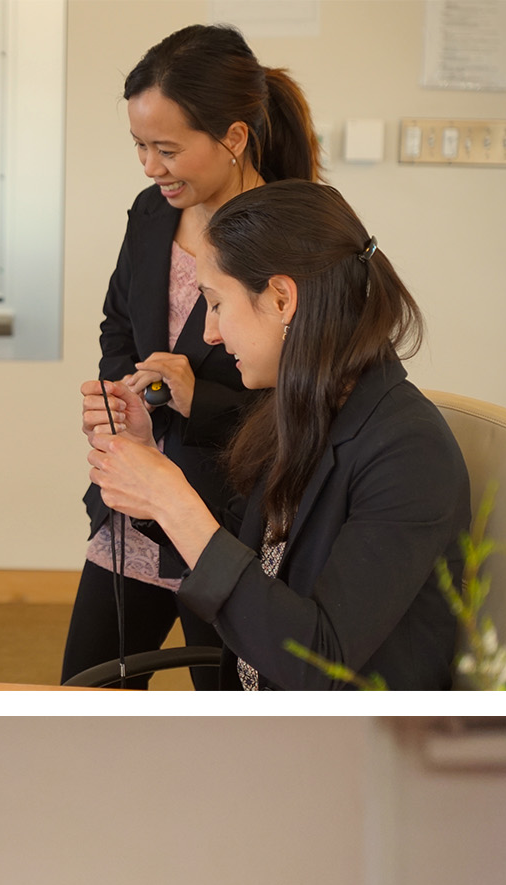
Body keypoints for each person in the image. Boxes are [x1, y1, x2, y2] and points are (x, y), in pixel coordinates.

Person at [81, 180, 470, 691]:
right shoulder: (303, 408)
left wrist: (172, 502)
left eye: (216, 304)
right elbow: (239, 551)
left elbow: (318, 663)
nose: (210, 333)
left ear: (282, 299)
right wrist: (148, 473)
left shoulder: (408, 451)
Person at [61, 24, 320, 687]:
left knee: (225, 704)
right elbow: (119, 324)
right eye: (140, 146)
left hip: (230, 523)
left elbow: (310, 395)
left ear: (233, 137)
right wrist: (127, 397)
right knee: (87, 691)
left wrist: (198, 402)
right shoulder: (152, 214)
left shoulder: (297, 237)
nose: (150, 167)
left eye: (168, 149)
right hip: (134, 508)